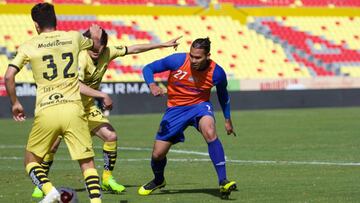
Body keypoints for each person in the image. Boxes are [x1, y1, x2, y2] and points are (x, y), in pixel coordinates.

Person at [31, 28, 182, 198]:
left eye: (99, 47)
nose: (95, 51)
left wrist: (162, 44)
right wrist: (102, 94)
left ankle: (107, 178)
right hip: (66, 106)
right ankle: (42, 184)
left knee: (110, 136)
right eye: (91, 48)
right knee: (52, 146)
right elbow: (76, 85)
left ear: (104, 46)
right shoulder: (79, 58)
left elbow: (133, 49)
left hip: (86, 108)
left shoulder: (108, 52)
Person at [4, 3, 103, 203]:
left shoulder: (28, 45)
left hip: (47, 110)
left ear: (36, 25)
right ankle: (96, 201)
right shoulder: (73, 37)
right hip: (74, 108)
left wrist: (15, 103)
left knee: (31, 161)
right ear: (56, 21)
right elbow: (95, 47)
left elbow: (8, 76)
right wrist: (95, 35)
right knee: (87, 163)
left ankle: (50, 191)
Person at [138, 37, 237, 199]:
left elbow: (223, 95)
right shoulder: (177, 60)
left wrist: (227, 118)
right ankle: (158, 180)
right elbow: (148, 68)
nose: (193, 60)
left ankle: (223, 180)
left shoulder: (217, 72)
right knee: (157, 154)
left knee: (210, 131)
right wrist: (152, 85)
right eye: (191, 56)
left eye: (198, 57)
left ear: (208, 56)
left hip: (199, 106)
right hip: (175, 110)